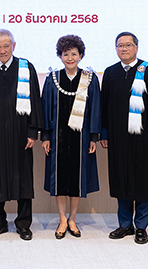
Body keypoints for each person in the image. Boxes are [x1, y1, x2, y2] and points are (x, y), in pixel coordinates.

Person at [0, 29, 44, 241]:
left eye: (6, 46)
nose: (2, 50)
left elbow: (35, 100)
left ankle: (23, 224)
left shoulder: (26, 68)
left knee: (23, 179)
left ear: (13, 46)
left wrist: (32, 131)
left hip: (20, 133)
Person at [100, 31, 148, 244]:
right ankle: (124, 225)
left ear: (136, 48)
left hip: (143, 137)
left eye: (128, 45)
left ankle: (141, 226)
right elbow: (105, 106)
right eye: (120, 45)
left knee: (142, 181)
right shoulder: (110, 72)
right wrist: (105, 132)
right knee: (121, 180)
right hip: (118, 138)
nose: (124, 49)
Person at [41, 35, 100, 239]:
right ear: (60, 56)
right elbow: (46, 108)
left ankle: (73, 218)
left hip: (81, 138)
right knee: (59, 179)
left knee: (77, 178)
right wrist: (46, 136)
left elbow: (95, 109)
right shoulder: (53, 79)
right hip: (57, 138)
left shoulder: (89, 79)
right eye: (65, 54)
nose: (70, 58)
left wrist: (93, 137)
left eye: (74, 54)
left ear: (81, 55)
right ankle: (62, 219)